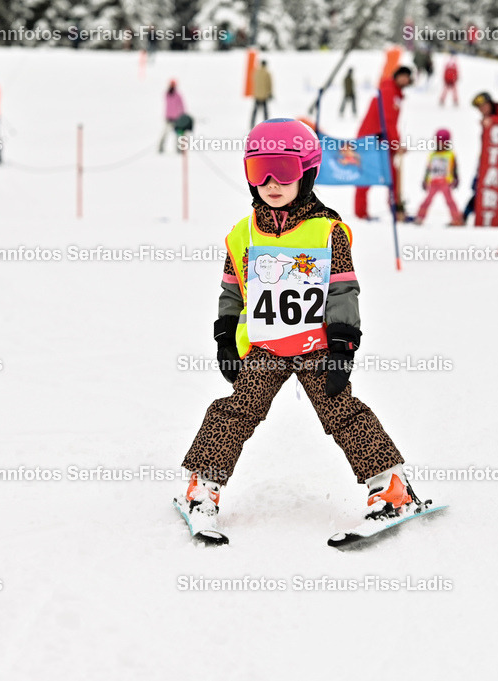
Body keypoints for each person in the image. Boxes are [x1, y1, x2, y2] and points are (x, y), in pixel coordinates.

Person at [176, 118, 426, 542]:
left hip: (317, 345)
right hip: (267, 347)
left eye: (284, 171)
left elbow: (343, 290)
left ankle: (393, 489)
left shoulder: (326, 232)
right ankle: (201, 488)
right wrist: (224, 338)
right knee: (235, 411)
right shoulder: (243, 233)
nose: (271, 183)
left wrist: (343, 346)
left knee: (342, 411)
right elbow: (232, 290)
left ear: (307, 173)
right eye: (260, 171)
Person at [354, 65, 413, 220]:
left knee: (388, 175)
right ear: (396, 76)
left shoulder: (393, 92)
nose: (404, 79)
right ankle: (365, 212)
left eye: (407, 77)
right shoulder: (389, 92)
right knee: (374, 175)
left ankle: (393, 209)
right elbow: (388, 121)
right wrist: (396, 144)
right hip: (373, 139)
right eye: (402, 76)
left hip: (377, 139)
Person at [470, 91, 498, 227]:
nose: (482, 110)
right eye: (479, 108)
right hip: (489, 161)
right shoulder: (487, 118)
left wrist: (493, 120)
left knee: (495, 188)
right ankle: (497, 218)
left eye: (484, 106)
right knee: (482, 187)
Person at [415, 129, 463, 225]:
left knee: (450, 201)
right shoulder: (433, 155)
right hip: (433, 182)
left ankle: (456, 219)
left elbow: (454, 168)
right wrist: (425, 180)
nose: (441, 145)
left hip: (445, 182)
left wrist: (456, 178)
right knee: (427, 200)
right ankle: (420, 217)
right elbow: (428, 169)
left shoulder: (450, 154)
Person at [159, 80, 186, 153]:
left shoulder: (178, 95)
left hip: (176, 119)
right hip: (168, 118)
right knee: (165, 133)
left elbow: (182, 105)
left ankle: (179, 149)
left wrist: (183, 115)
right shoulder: (167, 94)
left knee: (178, 135)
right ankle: (160, 148)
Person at [250, 60, 273, 128]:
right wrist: (270, 93)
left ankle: (252, 124)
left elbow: (254, 82)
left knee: (255, 111)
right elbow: (269, 84)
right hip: (264, 95)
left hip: (257, 94)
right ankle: (267, 124)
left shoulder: (256, 72)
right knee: (265, 112)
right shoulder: (267, 73)